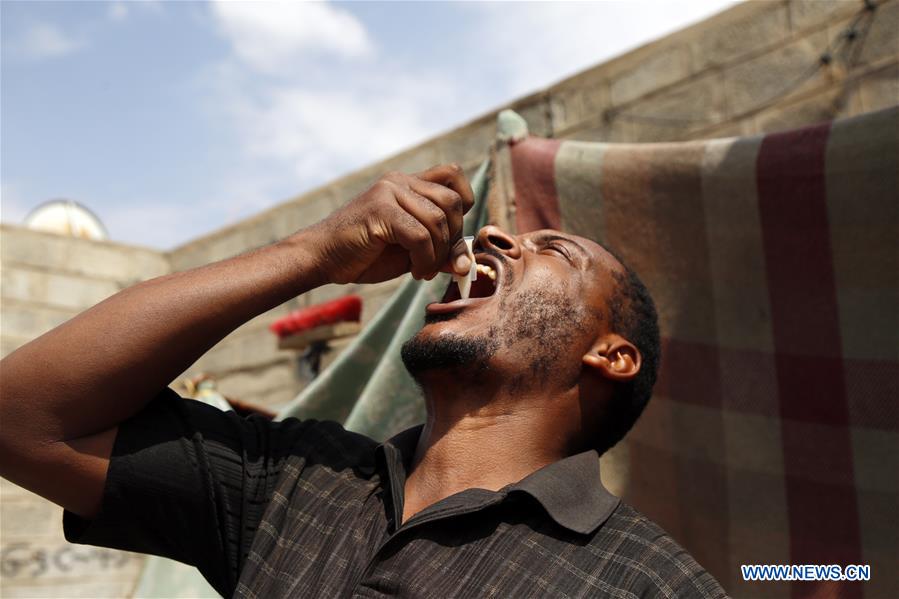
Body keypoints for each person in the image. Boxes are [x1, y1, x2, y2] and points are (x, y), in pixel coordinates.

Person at [0, 164, 726, 598]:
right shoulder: (292, 478)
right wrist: (315, 252)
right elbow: (21, 419)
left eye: (555, 251)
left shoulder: (646, 581)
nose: (495, 237)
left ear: (611, 356)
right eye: (503, 234)